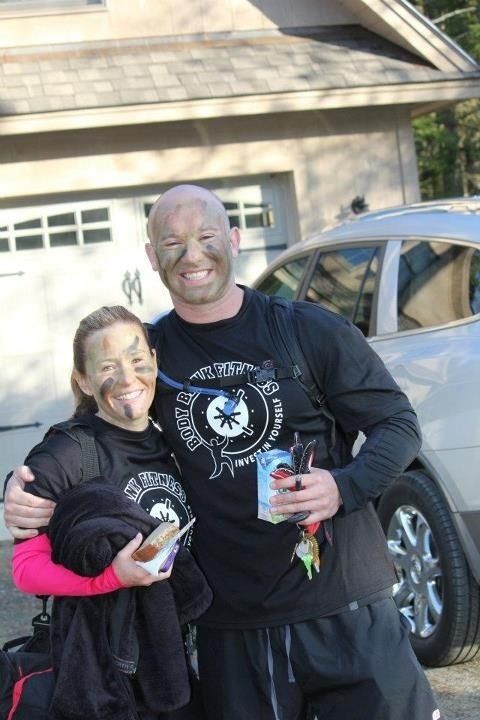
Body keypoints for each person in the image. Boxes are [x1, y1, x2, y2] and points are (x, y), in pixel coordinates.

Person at [4, 186, 442, 720]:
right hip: (232, 632)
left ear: (233, 240)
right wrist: (23, 485)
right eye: (173, 242)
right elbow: (94, 432)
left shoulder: (307, 330)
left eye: (206, 236)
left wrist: (342, 487)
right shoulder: (150, 359)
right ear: (152, 257)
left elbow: (398, 425)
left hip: (347, 608)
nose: (192, 254)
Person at [8, 304, 212, 720]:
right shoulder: (67, 453)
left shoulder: (173, 441)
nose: (127, 378)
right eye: (106, 367)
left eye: (136, 360)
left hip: (173, 661)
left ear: (154, 361)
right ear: (83, 380)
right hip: (105, 679)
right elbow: (25, 571)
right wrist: (110, 578)